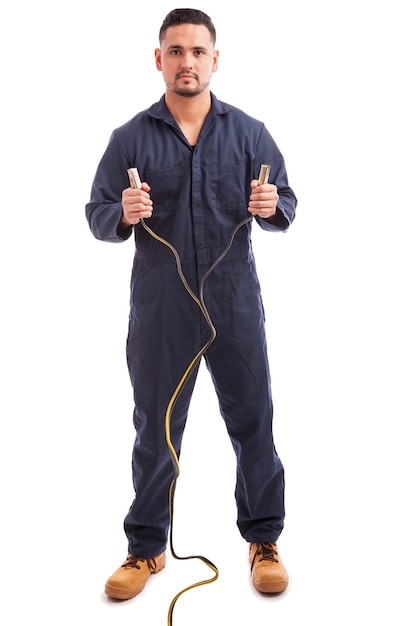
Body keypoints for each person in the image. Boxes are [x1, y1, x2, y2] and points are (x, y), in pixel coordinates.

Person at [85, 7, 297, 600]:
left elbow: (288, 203)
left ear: (215, 59)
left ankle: (264, 540)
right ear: (159, 59)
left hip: (235, 306)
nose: (187, 62)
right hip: (162, 310)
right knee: (155, 429)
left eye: (197, 51)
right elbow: (97, 213)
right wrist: (119, 216)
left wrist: (270, 205)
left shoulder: (250, 132)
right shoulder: (129, 137)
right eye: (175, 51)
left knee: (254, 421)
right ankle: (145, 548)